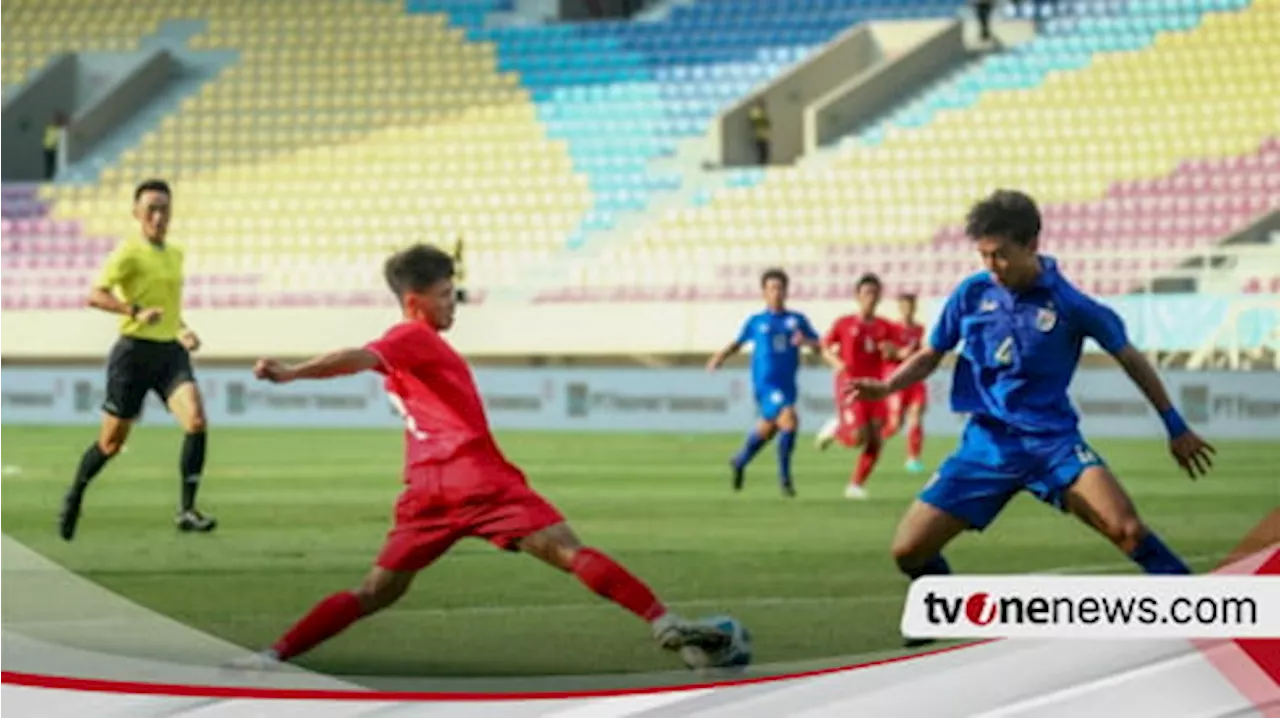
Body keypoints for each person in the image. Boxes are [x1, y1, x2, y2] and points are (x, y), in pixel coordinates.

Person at [230, 244, 732, 669]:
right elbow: (358, 357)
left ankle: (273, 656)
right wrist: (293, 374)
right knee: (568, 551)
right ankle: (661, 620)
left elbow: (370, 363)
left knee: (374, 592)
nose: (455, 303)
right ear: (414, 301)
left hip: (427, 490)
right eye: (446, 294)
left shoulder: (415, 344)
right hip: (477, 478)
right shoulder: (411, 336)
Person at [846, 190, 1215, 646]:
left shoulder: (1070, 304)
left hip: (1052, 445)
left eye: (1000, 254)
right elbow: (930, 354)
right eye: (983, 255)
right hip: (986, 445)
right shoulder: (972, 293)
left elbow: (1130, 358)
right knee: (908, 551)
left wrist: (1175, 426)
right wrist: (887, 387)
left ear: (1031, 245)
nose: (991, 266)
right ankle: (941, 609)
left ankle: (1207, 619)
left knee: (1128, 530)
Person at [59, 179, 215, 541]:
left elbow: (170, 309)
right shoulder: (128, 253)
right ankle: (75, 494)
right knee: (110, 444)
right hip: (133, 354)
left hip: (169, 354)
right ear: (137, 213)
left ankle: (186, 510)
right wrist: (133, 309)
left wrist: (183, 328)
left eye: (164, 209)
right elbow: (95, 295)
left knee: (196, 420)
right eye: (151, 209)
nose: (159, 216)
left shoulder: (175, 254)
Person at [707, 268, 825, 497]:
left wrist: (807, 341)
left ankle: (740, 461)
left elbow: (819, 344)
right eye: (772, 288)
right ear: (764, 292)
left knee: (769, 429)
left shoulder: (797, 320)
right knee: (789, 420)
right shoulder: (756, 321)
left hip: (788, 383)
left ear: (787, 291)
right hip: (766, 384)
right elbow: (738, 343)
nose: (776, 293)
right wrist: (719, 357)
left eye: (780, 288)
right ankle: (785, 480)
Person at [814, 274, 897, 499]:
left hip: (875, 387)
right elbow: (824, 347)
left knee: (876, 439)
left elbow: (898, 353)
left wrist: (893, 353)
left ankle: (856, 485)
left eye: (874, 293)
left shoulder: (886, 326)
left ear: (879, 297)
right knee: (857, 437)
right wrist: (837, 363)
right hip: (849, 385)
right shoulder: (844, 323)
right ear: (857, 296)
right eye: (866, 293)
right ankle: (837, 429)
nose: (870, 298)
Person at [881, 292, 929, 474]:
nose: (907, 309)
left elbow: (923, 352)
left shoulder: (920, 329)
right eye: (904, 306)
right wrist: (899, 353)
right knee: (894, 425)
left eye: (910, 306)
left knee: (916, 415)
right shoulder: (891, 328)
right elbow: (885, 351)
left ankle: (913, 459)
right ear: (899, 308)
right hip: (897, 378)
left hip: (914, 379)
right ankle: (873, 442)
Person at [748, 99, 771, 166]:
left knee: (765, 151)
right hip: (758, 135)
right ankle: (761, 164)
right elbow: (757, 122)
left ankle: (763, 164)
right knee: (762, 151)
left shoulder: (762, 112)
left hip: (764, 135)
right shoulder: (756, 112)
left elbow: (767, 123)